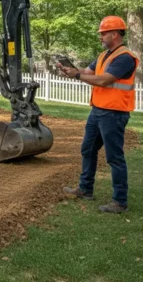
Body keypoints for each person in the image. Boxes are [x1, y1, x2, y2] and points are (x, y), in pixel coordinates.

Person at [58, 16, 138, 214]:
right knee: (87, 149)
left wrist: (78, 75)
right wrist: (71, 70)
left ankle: (120, 201)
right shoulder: (104, 56)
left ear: (115, 34)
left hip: (114, 113)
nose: (100, 36)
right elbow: (86, 71)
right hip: (98, 111)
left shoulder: (125, 58)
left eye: (103, 33)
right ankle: (85, 189)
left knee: (114, 157)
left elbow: (103, 80)